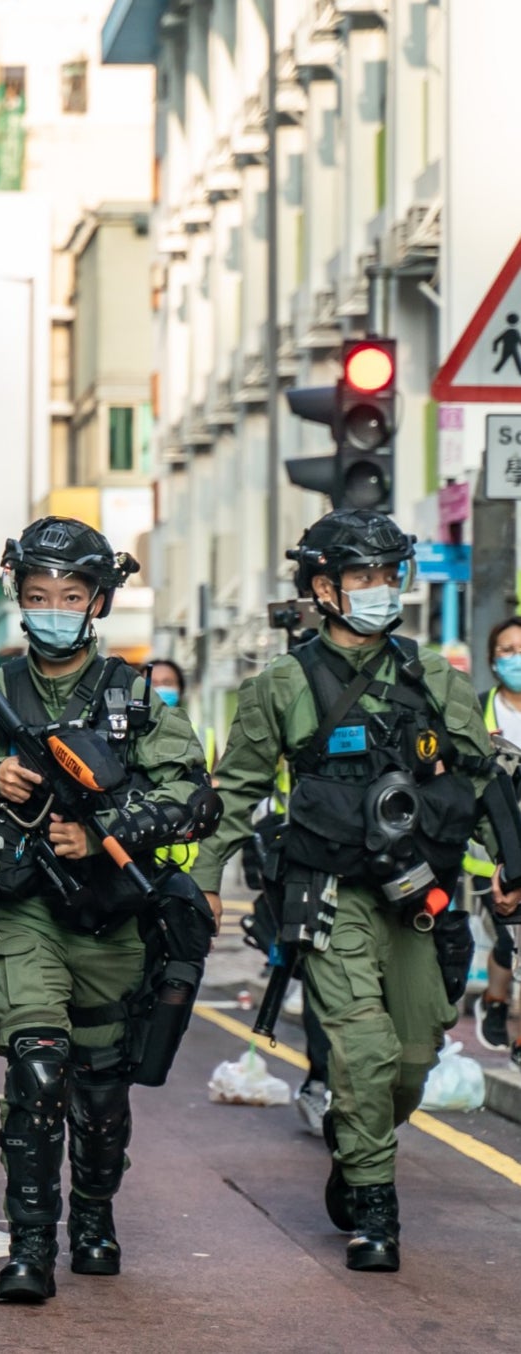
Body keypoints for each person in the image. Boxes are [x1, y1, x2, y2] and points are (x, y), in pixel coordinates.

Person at [193, 508, 516, 1273]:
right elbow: (235, 790)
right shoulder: (281, 682)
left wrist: (508, 863)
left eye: (388, 575)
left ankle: (356, 1140)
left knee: (411, 1058)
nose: (379, 590)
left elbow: (480, 780)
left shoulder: (434, 675)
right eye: (362, 576)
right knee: (363, 1052)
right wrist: (203, 881)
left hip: (417, 896)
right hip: (329, 891)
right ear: (322, 587)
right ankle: (376, 1207)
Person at [0, 516, 216, 1303]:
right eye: (37, 594)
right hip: (19, 910)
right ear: (18, 596)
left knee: (102, 1091)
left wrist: (104, 828)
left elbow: (193, 800)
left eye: (70, 595)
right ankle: (31, 1245)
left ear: (97, 603)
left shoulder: (136, 698)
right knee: (38, 1065)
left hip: (112, 916)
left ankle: (94, 1213)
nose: (52, 608)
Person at [473, 615, 521, 1061]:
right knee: (509, 938)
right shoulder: (477, 707)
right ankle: (495, 1000)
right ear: (493, 660)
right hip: (490, 852)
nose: (516, 658)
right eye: (507, 651)